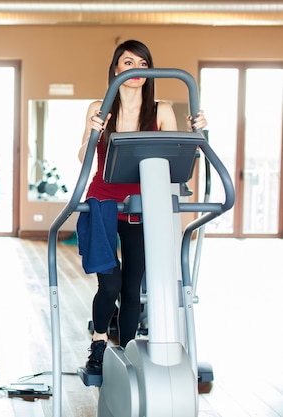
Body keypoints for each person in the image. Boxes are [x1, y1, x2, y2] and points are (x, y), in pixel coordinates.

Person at [78, 39, 207, 375]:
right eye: (127, 63)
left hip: (142, 205)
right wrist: (93, 133)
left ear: (150, 71)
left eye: (142, 63)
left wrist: (198, 133)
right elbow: (83, 158)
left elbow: (179, 159)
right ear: (116, 69)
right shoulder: (99, 106)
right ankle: (98, 343)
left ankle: (130, 352)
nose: (135, 69)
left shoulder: (161, 111)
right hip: (103, 201)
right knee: (110, 285)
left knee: (133, 286)